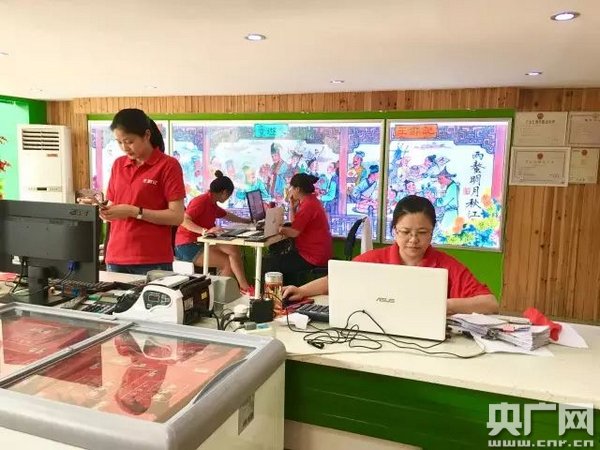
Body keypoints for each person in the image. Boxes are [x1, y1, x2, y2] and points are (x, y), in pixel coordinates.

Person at [282, 195, 498, 315]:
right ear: (394, 231)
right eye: (405, 232)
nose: (413, 239)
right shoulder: (375, 259)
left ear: (432, 232)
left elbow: (490, 304)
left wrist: (443, 306)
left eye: (422, 232)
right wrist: (301, 290)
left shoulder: (446, 265)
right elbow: (337, 279)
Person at [81, 108, 185, 275]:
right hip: (116, 256)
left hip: (152, 258)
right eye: (119, 142)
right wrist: (99, 208)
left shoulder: (168, 165)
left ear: (147, 135)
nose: (124, 148)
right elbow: (113, 209)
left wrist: (134, 211)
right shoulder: (118, 165)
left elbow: (177, 216)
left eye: (129, 141)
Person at [174, 171, 254, 295]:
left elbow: (226, 215)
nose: (228, 198)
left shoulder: (212, 203)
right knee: (227, 263)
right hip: (187, 246)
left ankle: (243, 287)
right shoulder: (201, 201)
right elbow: (184, 220)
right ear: (224, 192)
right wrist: (204, 231)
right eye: (229, 195)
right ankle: (223, 295)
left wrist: (246, 221)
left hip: (201, 242)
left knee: (233, 249)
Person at [264, 173, 333, 285]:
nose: (290, 190)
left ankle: (275, 294)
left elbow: (294, 232)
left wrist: (279, 229)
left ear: (298, 189)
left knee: (271, 263)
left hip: (312, 256)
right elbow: (295, 224)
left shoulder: (308, 205)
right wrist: (292, 208)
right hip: (316, 253)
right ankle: (287, 291)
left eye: (291, 187)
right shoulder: (311, 201)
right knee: (281, 260)